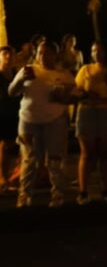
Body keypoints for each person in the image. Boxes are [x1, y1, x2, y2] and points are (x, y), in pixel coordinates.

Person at [7, 41, 76, 207]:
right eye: (40, 52)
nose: (43, 56)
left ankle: (57, 196)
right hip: (28, 121)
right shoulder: (28, 70)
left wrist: (64, 96)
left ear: (55, 55)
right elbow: (11, 91)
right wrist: (20, 80)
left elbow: (75, 97)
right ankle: (24, 197)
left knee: (55, 160)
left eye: (47, 53)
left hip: (55, 121)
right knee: (29, 160)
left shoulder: (64, 74)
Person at [74, 40, 107, 203]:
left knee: (106, 153)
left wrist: (102, 100)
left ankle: (105, 189)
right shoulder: (86, 69)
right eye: (93, 50)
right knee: (87, 153)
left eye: (100, 50)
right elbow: (76, 90)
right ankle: (83, 191)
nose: (96, 54)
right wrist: (86, 95)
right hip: (87, 113)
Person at [0, 46, 20, 191]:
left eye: (11, 54)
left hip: (16, 114)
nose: (8, 57)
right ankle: (2, 177)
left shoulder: (17, 74)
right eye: (5, 54)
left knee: (12, 146)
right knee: (4, 146)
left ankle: (11, 177)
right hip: (2, 114)